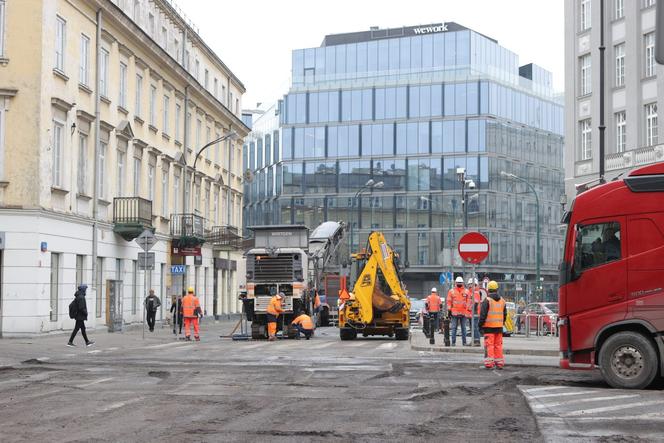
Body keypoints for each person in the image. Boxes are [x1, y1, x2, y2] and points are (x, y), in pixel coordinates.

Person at [479, 280, 507, 369]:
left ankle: (489, 364)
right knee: (498, 346)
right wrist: (501, 323)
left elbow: (483, 315)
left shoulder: (487, 300)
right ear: (497, 289)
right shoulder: (502, 301)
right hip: (499, 327)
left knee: (489, 346)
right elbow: (505, 314)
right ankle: (499, 363)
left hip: (489, 327)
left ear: (488, 290)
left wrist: (480, 325)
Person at [447, 276, 469, 346]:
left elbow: (468, 302)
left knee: (463, 328)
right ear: (456, 283)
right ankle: (453, 342)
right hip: (455, 313)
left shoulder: (466, 291)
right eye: (458, 283)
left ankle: (464, 342)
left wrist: (468, 311)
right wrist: (449, 311)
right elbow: (449, 302)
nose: (459, 284)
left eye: (460, 283)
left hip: (463, 313)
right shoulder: (451, 291)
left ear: (462, 283)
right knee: (454, 328)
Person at [467, 278, 482, 346]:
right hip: (473, 313)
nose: (469, 286)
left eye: (470, 285)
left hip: (474, 314)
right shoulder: (473, 292)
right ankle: (474, 341)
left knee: (474, 327)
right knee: (473, 328)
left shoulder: (475, 292)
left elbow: (475, 303)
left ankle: (477, 341)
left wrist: (471, 310)